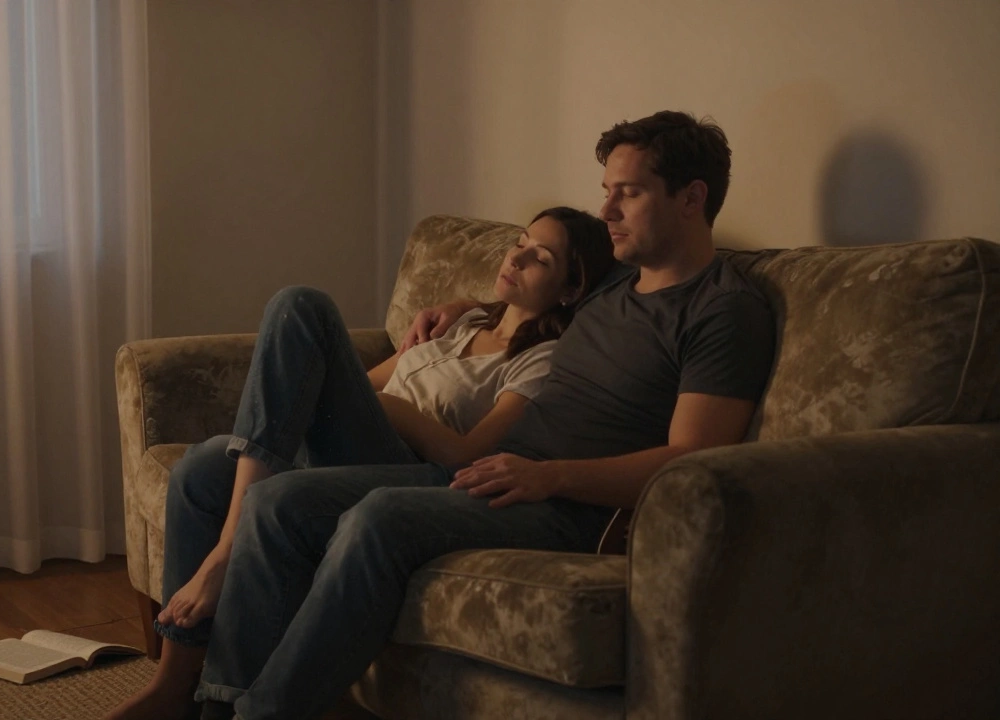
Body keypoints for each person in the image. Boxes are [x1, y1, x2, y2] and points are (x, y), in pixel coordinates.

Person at [163, 110, 776, 720]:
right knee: (275, 503)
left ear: (692, 197)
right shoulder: (617, 283)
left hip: (575, 511)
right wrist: (464, 307)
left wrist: (554, 475)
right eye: (606, 192)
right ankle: (217, 705)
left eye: (630, 193)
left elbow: (690, 461)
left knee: (378, 515)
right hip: (500, 476)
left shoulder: (723, 311)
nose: (608, 211)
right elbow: (533, 288)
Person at [107, 207, 618, 720]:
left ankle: (224, 604)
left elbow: (470, 454)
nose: (518, 256)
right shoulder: (462, 321)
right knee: (199, 471)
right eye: (522, 241)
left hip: (410, 466)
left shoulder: (543, 360)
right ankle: (174, 683)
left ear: (570, 289)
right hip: (358, 441)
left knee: (300, 305)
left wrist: (392, 409)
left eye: (541, 258)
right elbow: (361, 384)